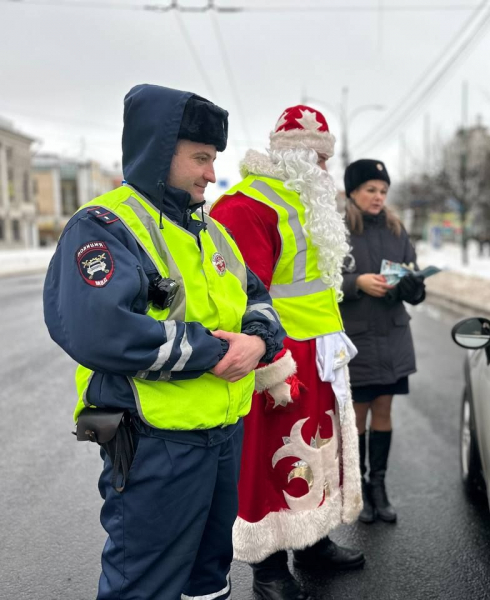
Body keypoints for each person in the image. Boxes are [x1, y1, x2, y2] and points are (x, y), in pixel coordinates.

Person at [42, 84, 286, 600]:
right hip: (156, 443)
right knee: (145, 585)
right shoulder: (106, 226)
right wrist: (221, 352)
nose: (211, 173)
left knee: (209, 578)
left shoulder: (213, 232)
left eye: (213, 158)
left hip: (222, 437)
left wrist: (259, 344)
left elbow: (259, 302)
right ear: (159, 151)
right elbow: (102, 332)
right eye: (200, 157)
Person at [210, 105, 364, 600]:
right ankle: (268, 566)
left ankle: (312, 540)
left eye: (326, 159)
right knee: (269, 459)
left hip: (319, 356)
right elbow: (238, 301)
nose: (324, 170)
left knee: (317, 451)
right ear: (291, 153)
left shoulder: (305, 201)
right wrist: (271, 370)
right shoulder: (246, 205)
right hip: (277, 361)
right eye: (317, 158)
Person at [339, 159, 426, 524]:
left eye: (383, 191)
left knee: (385, 411)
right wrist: (355, 283)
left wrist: (410, 284)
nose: (378, 197)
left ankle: (379, 486)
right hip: (355, 338)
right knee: (357, 416)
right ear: (353, 192)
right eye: (371, 190)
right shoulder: (338, 230)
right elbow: (321, 280)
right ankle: (358, 488)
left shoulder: (396, 229)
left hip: (391, 335)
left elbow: (416, 288)